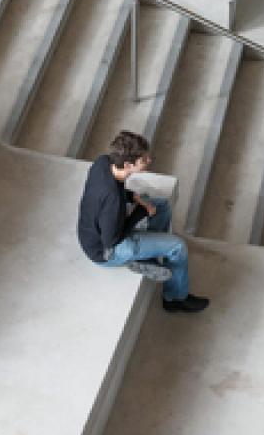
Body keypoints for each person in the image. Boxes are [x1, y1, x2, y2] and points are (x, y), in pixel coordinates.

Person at [77, 131, 209, 313]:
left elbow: (108, 192)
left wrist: (133, 197)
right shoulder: (113, 201)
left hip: (95, 229)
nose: (149, 161)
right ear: (128, 165)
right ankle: (175, 298)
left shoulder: (103, 163)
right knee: (178, 247)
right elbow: (111, 241)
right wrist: (140, 212)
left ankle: (148, 257)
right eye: (143, 160)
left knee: (161, 205)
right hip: (105, 251)